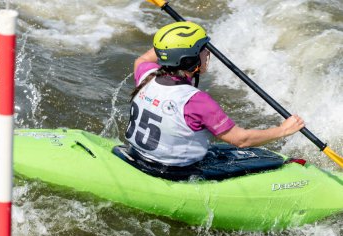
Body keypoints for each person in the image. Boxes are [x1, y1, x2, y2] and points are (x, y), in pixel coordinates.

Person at [125, 21, 305, 167]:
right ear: (189, 60)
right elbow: (241, 140)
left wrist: (168, 44)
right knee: (261, 158)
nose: (208, 52)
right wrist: (284, 130)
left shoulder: (146, 75)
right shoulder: (196, 101)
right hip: (176, 170)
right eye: (203, 48)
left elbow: (144, 58)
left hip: (140, 155)